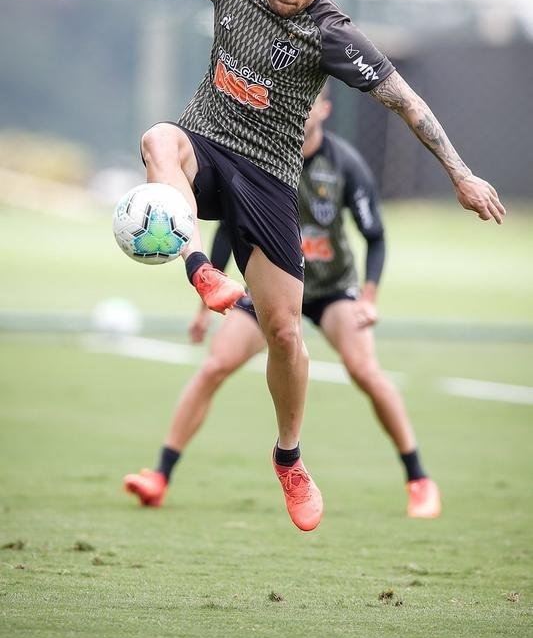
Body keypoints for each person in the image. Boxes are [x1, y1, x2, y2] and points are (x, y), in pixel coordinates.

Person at [43, 0, 504, 531]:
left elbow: (406, 102)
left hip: (267, 181)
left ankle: (289, 457)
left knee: (285, 334)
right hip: (205, 149)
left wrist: (461, 173)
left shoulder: (332, 34)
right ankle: (199, 268)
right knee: (159, 138)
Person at [123, 90, 441, 518]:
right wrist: (203, 309)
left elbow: (376, 236)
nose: (299, 105)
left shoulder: (343, 163)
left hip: (330, 289)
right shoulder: (261, 156)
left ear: (324, 109)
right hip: (269, 289)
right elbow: (225, 230)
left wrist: (368, 298)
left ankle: (418, 479)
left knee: (365, 370)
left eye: (310, 100)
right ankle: (159, 475)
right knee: (215, 366)